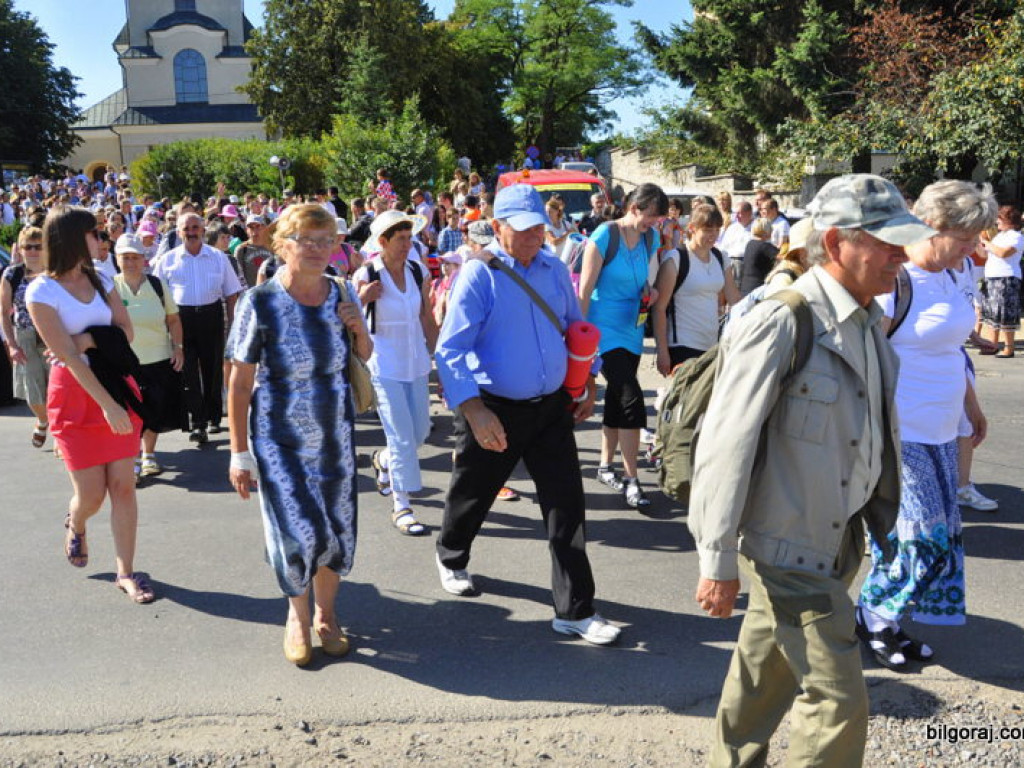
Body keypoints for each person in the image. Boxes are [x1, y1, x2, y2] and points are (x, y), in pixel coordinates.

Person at [689, 174, 935, 766]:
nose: (901, 256)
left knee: (763, 669)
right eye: (886, 242)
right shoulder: (785, 320)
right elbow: (726, 444)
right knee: (837, 700)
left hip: (835, 537)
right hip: (786, 544)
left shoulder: (868, 322)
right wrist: (716, 559)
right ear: (836, 242)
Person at [434, 183, 620, 646]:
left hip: (551, 407)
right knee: (473, 493)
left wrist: (587, 378)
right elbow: (450, 349)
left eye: (540, 226)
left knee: (566, 506)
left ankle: (575, 610)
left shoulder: (555, 269)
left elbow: (571, 327)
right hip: (494, 407)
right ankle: (451, 554)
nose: (536, 235)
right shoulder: (479, 275)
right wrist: (473, 410)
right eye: (524, 228)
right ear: (497, 228)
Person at [856, 180, 997, 670]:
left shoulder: (956, 273)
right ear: (933, 228)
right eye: (965, 239)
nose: (973, 248)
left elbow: (954, 349)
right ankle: (872, 616)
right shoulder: (898, 278)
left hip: (942, 424)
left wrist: (971, 407)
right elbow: (868, 354)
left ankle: (886, 621)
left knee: (936, 538)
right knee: (916, 536)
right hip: (901, 429)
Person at [226, 203, 372, 666]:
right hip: (279, 438)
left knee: (335, 529)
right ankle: (297, 616)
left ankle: (327, 616)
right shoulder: (261, 301)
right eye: (305, 240)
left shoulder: (339, 292)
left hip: (335, 434)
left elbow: (364, 354)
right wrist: (238, 453)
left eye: (326, 240)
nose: (316, 249)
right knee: (295, 532)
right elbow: (240, 381)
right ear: (282, 244)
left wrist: (356, 326)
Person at [26, 206, 153, 603]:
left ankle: (126, 572)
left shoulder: (101, 280)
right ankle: (77, 523)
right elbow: (64, 356)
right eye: (94, 234)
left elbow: (125, 332)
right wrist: (107, 407)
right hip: (77, 396)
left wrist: (88, 340)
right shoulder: (40, 291)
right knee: (92, 496)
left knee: (124, 488)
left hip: (115, 383)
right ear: (71, 237)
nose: (102, 240)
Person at [578, 183, 668, 509]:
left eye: (657, 219)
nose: (654, 223)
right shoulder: (604, 235)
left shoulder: (649, 238)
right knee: (631, 398)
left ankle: (605, 466)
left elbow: (646, 280)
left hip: (633, 329)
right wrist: (580, 345)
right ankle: (632, 479)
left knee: (617, 399)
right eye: (651, 216)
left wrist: (651, 293)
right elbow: (584, 293)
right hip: (603, 332)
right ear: (634, 208)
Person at [353, 211, 438, 537]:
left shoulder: (418, 271)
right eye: (400, 238)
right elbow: (350, 318)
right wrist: (363, 298)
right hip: (384, 364)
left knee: (419, 434)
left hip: (416, 363)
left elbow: (427, 318)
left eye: (409, 237)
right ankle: (402, 506)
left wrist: (440, 361)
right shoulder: (368, 272)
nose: (407, 244)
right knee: (402, 437)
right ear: (382, 242)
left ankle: (385, 461)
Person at [152, 213, 243, 445]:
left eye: (195, 227)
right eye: (186, 228)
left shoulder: (218, 257)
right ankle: (198, 422)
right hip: (180, 319)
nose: (191, 232)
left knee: (213, 369)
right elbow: (157, 296)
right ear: (179, 232)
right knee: (188, 371)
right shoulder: (167, 260)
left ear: (202, 230)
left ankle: (214, 416)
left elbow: (232, 293)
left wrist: (233, 325)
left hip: (211, 316)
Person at [112, 234, 186, 481]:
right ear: (117, 259)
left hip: (158, 358)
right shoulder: (109, 287)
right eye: (125, 257)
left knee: (154, 408)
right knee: (131, 411)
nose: (131, 262)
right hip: (124, 362)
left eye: (135, 257)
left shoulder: (156, 285)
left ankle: (149, 454)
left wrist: (178, 347)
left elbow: (173, 319)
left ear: (144, 260)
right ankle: (132, 456)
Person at [651, 204, 739, 375]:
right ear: (691, 228)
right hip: (682, 345)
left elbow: (735, 299)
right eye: (707, 229)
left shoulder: (721, 258)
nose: (713, 234)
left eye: (717, 229)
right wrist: (662, 352)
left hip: (712, 346)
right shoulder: (675, 259)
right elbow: (659, 308)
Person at [1, 226, 51, 447]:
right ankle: (43, 420)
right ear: (20, 249)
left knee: (57, 386)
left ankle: (59, 431)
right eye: (27, 246)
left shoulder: (54, 271)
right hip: (25, 335)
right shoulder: (12, 274)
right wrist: (11, 344)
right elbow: (4, 311)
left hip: (52, 334)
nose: (32, 251)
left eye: (37, 246)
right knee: (32, 389)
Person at [978, 205, 1023, 358]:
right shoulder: (999, 236)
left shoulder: (1016, 236)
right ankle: (993, 344)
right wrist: (980, 242)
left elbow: (1003, 253)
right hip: (992, 276)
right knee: (991, 312)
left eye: (1000, 218)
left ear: (1009, 221)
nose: (997, 222)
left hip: (1007, 277)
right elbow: (985, 255)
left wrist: (988, 243)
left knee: (1005, 313)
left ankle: (1009, 348)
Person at [737, 217, 779, 296]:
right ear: (767, 231)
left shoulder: (750, 244)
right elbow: (783, 258)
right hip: (758, 289)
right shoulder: (765, 247)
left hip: (745, 287)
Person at [718, 201, 754, 279]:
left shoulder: (755, 227)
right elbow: (724, 246)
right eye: (736, 213)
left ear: (749, 213)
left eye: (739, 213)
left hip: (745, 263)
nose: (737, 216)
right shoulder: (732, 228)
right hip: (730, 262)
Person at [544, 194, 577, 260]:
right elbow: (554, 242)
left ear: (557, 212)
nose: (547, 214)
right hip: (552, 260)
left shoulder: (565, 223)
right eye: (546, 212)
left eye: (550, 212)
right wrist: (567, 234)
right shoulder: (545, 226)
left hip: (567, 258)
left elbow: (575, 235)